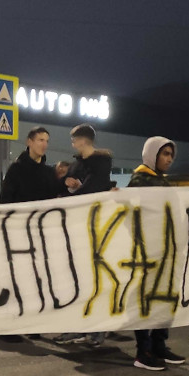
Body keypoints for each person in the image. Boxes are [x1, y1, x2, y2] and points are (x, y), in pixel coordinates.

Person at [126, 137, 186, 369]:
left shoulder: (161, 181)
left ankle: (159, 344)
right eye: (164, 154)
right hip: (148, 252)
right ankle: (143, 351)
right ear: (153, 155)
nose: (169, 159)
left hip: (167, 250)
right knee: (146, 300)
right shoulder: (140, 180)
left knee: (165, 298)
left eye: (171, 155)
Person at [55, 125, 115, 347]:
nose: (72, 144)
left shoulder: (101, 162)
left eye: (74, 140)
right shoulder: (77, 163)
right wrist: (67, 184)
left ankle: (97, 329)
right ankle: (75, 326)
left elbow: (93, 189)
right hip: (77, 226)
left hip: (95, 224)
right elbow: (66, 185)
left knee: (94, 277)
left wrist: (75, 191)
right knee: (75, 278)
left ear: (82, 140)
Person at [1, 127, 57, 203]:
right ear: (29, 142)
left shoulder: (50, 172)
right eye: (41, 140)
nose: (45, 145)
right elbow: (6, 198)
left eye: (47, 141)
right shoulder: (16, 169)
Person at [63, 125, 112, 195]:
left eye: (74, 141)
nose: (73, 146)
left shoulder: (102, 161)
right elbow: (62, 184)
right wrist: (66, 181)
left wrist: (67, 197)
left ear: (82, 141)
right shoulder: (75, 164)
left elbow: (92, 187)